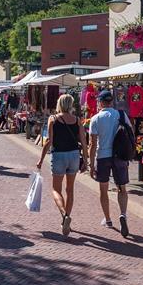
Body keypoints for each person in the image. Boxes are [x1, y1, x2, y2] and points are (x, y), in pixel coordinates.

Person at [37, 94, 88, 237]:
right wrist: (86, 159)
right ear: (71, 104)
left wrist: (41, 159)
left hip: (59, 155)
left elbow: (49, 141)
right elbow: (84, 142)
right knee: (70, 190)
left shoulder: (53, 119)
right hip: (73, 155)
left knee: (55, 189)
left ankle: (65, 216)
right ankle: (66, 219)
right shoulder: (77, 120)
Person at [88, 90, 132, 237]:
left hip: (102, 157)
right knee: (122, 188)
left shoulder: (95, 119)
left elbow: (92, 144)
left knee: (103, 190)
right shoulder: (121, 115)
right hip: (119, 156)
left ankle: (108, 220)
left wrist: (90, 164)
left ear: (100, 102)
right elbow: (130, 133)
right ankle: (123, 214)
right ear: (111, 101)